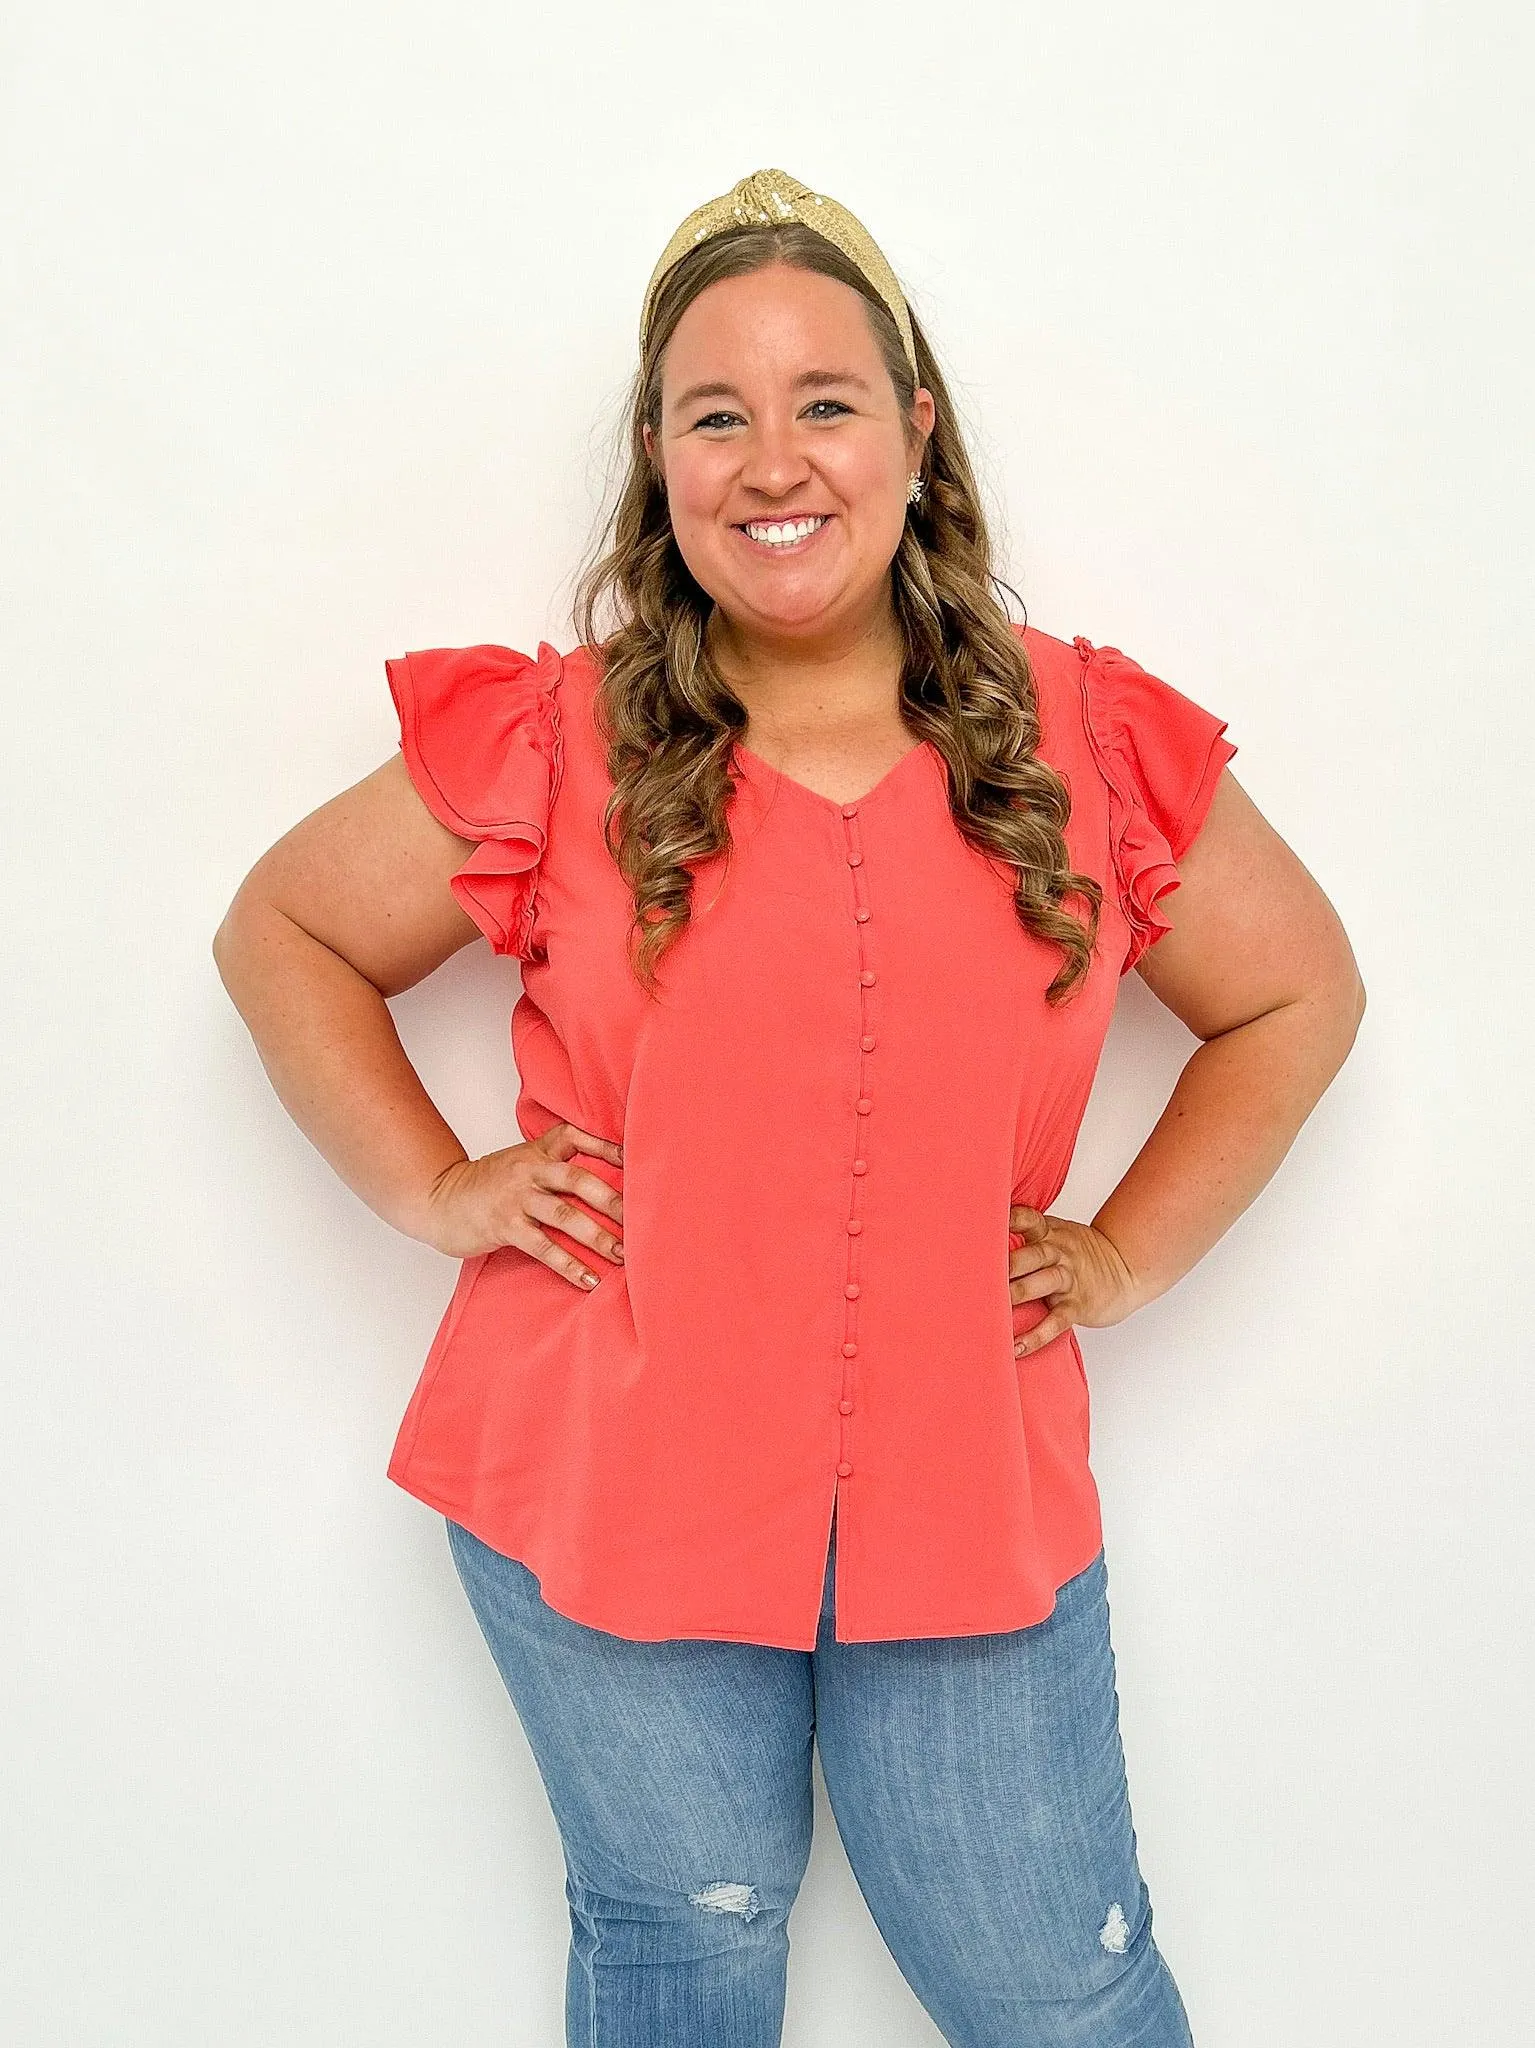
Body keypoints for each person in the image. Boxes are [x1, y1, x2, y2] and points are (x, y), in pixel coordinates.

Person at [213, 167, 1366, 2047]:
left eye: (824, 400)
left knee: (1053, 1995)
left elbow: (1297, 992)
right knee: (682, 1949)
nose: (773, 461)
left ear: (914, 429)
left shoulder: (1089, 736)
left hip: (961, 1494)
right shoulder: (555, 736)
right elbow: (283, 930)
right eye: (713, 413)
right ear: (657, 460)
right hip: (603, 1474)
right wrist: (436, 1189)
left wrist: (1128, 1252)